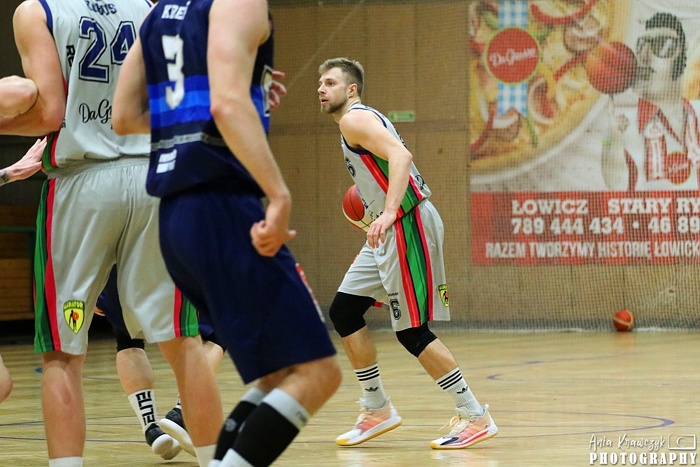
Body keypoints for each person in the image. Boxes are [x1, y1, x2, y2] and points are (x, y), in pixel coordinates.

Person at [112, 0, 342, 464]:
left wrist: (244, 103)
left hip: (175, 219)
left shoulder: (156, 14)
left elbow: (124, 117)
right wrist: (278, 194)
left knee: (277, 375)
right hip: (223, 206)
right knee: (318, 372)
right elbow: (226, 102)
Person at [0, 1, 224, 465]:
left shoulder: (38, 10)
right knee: (184, 343)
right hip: (154, 179)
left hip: (82, 183)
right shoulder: (150, 8)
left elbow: (49, 113)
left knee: (62, 353)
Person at [317, 57, 498, 449]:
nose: (321, 89)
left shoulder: (354, 119)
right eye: (320, 83)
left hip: (406, 223)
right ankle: (377, 407)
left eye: (330, 82)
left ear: (351, 89)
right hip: (389, 229)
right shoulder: (358, 122)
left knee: (411, 330)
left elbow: (401, 156)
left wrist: (387, 212)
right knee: (344, 311)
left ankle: (474, 415)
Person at [96, 265, 228, 460]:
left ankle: (151, 429)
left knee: (127, 338)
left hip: (115, 269)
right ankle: (182, 412)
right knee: (216, 331)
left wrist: (92, 285)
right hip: (165, 261)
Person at [602, 12, 700, 191]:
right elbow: (614, 184)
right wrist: (610, 140)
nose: (644, 57)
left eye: (661, 45)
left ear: (682, 53)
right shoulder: (624, 124)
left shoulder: (695, 114)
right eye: (641, 46)